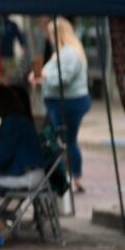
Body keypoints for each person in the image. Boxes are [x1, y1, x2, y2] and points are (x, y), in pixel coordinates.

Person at [32, 18, 90, 194]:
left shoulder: (69, 53)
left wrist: (43, 78)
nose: (49, 38)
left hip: (68, 103)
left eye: (50, 34)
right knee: (62, 140)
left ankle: (74, 177)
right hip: (62, 102)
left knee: (66, 141)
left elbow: (62, 78)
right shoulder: (64, 52)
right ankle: (69, 176)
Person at [0, 84, 48, 191]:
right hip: (33, 174)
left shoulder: (11, 122)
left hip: (25, 176)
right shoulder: (18, 119)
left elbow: (3, 159)